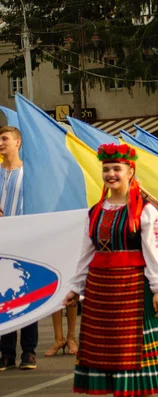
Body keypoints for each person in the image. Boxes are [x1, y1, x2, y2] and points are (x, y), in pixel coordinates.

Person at [64, 143, 158, 396]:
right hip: (101, 290)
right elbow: (86, 252)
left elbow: (155, 252)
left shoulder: (144, 211)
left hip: (132, 288)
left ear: (130, 171)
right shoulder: (96, 211)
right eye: (106, 169)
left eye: (117, 169)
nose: (111, 174)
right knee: (108, 349)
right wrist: (76, 288)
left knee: (131, 348)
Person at [0, 126, 38, 371]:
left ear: (18, 142)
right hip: (2, 241)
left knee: (27, 293)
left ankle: (29, 351)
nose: (1, 143)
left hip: (27, 240)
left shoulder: (30, 173)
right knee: (4, 296)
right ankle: (6, 352)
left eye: (5, 139)